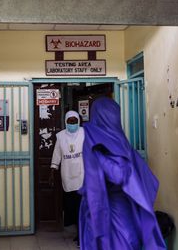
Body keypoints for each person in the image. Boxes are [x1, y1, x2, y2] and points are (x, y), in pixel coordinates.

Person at [79, 97, 166, 250]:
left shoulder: (105, 143)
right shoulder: (120, 142)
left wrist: (98, 155)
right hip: (115, 208)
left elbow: (118, 175)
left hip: (113, 212)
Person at [49, 110, 84, 247]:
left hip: (82, 175)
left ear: (78, 121)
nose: (72, 124)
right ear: (65, 122)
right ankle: (79, 233)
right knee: (72, 208)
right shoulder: (61, 136)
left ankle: (82, 235)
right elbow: (56, 155)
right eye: (70, 122)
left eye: (75, 121)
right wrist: (52, 172)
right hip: (68, 176)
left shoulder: (84, 133)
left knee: (82, 208)